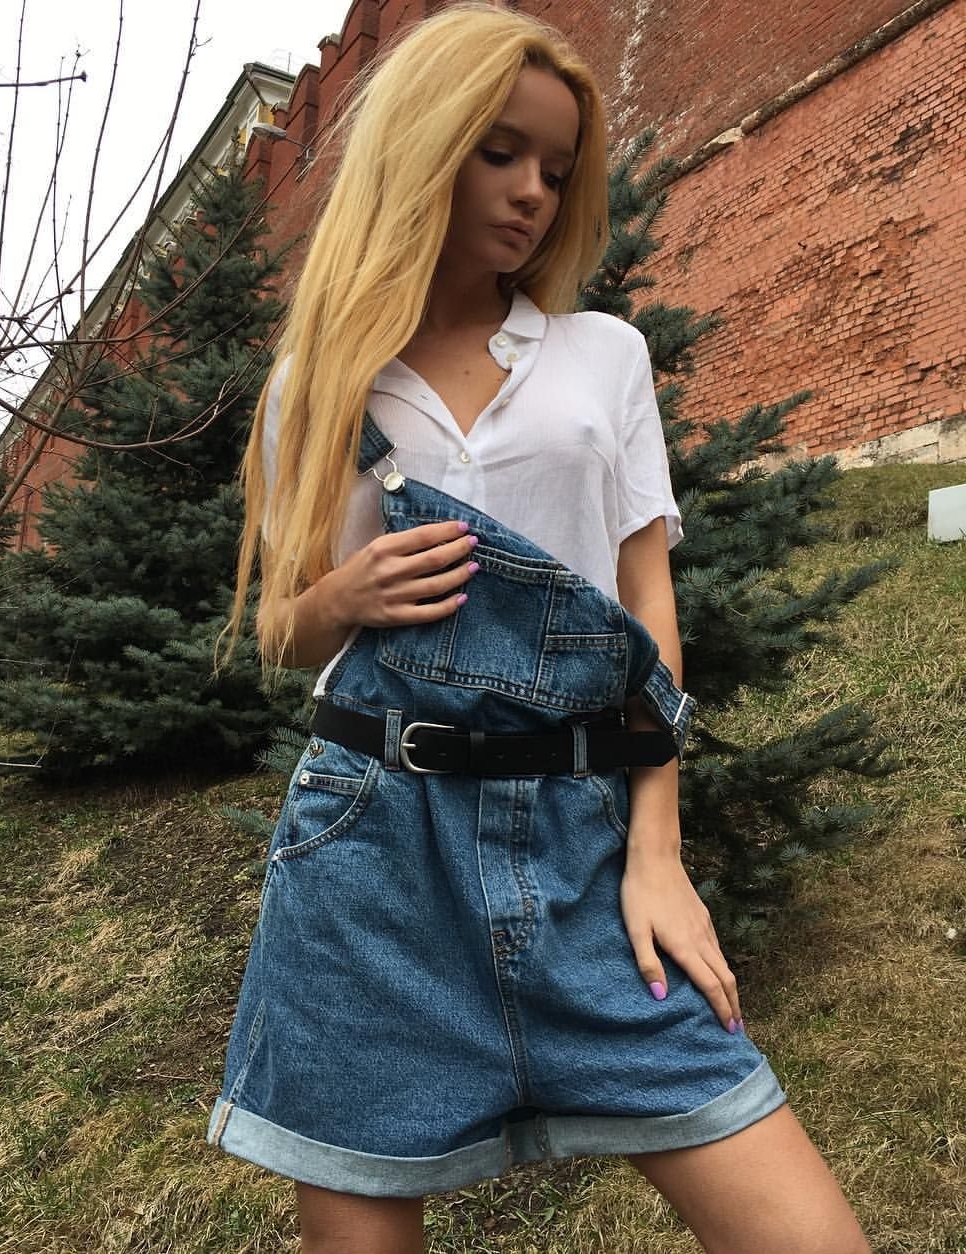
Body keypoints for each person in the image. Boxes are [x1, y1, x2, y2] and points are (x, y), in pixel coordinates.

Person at [208, 5, 870, 1252]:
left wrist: (657, 851)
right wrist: (342, 599)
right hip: (371, 852)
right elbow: (285, 632)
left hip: (580, 840)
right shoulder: (323, 380)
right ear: (421, 150)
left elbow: (647, 611)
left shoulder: (601, 356)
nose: (532, 194)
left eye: (557, 171)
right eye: (499, 152)